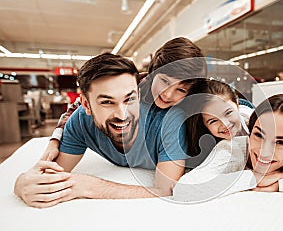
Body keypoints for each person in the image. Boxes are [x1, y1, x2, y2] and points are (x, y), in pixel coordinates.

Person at [14, 53, 188, 208]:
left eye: (129, 99)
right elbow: (50, 175)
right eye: (107, 102)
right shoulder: (80, 121)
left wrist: (91, 187)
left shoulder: (170, 120)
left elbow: (167, 190)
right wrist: (22, 183)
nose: (122, 115)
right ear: (86, 105)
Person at [41, 37, 206, 162]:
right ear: (152, 74)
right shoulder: (135, 85)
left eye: (181, 89)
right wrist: (57, 137)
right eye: (164, 81)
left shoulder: (190, 104)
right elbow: (80, 106)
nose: (168, 94)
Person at [184, 79, 254, 167]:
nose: (225, 124)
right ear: (204, 124)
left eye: (228, 113)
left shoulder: (257, 121)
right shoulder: (205, 147)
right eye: (213, 121)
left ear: (237, 103)